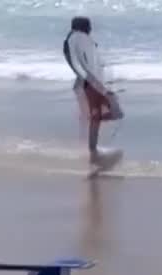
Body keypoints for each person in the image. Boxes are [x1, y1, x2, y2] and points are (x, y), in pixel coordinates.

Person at [63, 16, 124, 164]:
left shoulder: (76, 40)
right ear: (84, 26)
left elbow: (87, 63)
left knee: (104, 114)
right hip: (91, 83)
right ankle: (93, 149)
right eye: (89, 26)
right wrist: (98, 86)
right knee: (109, 113)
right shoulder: (77, 38)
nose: (91, 28)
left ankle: (93, 147)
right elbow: (83, 65)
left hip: (90, 82)